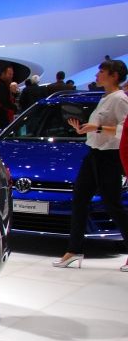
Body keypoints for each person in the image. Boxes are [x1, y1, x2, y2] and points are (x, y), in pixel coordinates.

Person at [53, 59, 128, 271]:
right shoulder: (105, 97)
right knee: (79, 199)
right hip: (94, 153)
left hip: (110, 156)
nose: (97, 75)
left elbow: (124, 130)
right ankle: (74, 249)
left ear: (114, 75)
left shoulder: (120, 99)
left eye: (101, 71)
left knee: (112, 204)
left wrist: (98, 128)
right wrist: (85, 129)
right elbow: (99, 127)